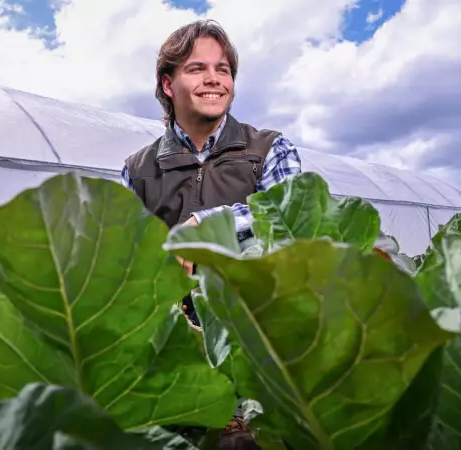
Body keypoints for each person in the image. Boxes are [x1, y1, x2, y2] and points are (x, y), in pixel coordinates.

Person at [119, 19, 301, 449]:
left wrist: (207, 225)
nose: (214, 79)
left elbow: (291, 218)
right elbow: (125, 263)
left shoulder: (269, 150)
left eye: (223, 70)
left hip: (266, 359)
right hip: (178, 371)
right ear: (168, 84)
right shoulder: (137, 169)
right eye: (197, 69)